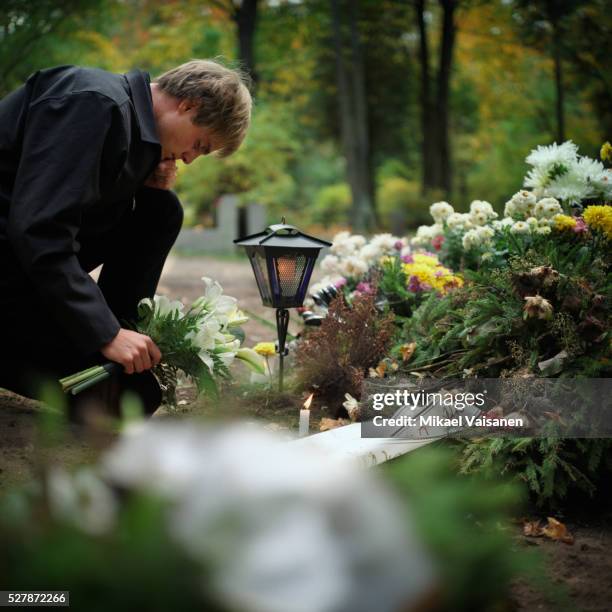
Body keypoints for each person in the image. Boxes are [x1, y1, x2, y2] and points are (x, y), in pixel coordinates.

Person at [0, 59, 252, 421]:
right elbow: (40, 231)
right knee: (121, 395)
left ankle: (118, 345)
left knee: (132, 393)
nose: (189, 159)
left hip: (22, 279)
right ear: (189, 104)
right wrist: (105, 333)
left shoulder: (131, 134)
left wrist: (144, 184)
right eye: (199, 144)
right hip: (12, 271)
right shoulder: (94, 103)